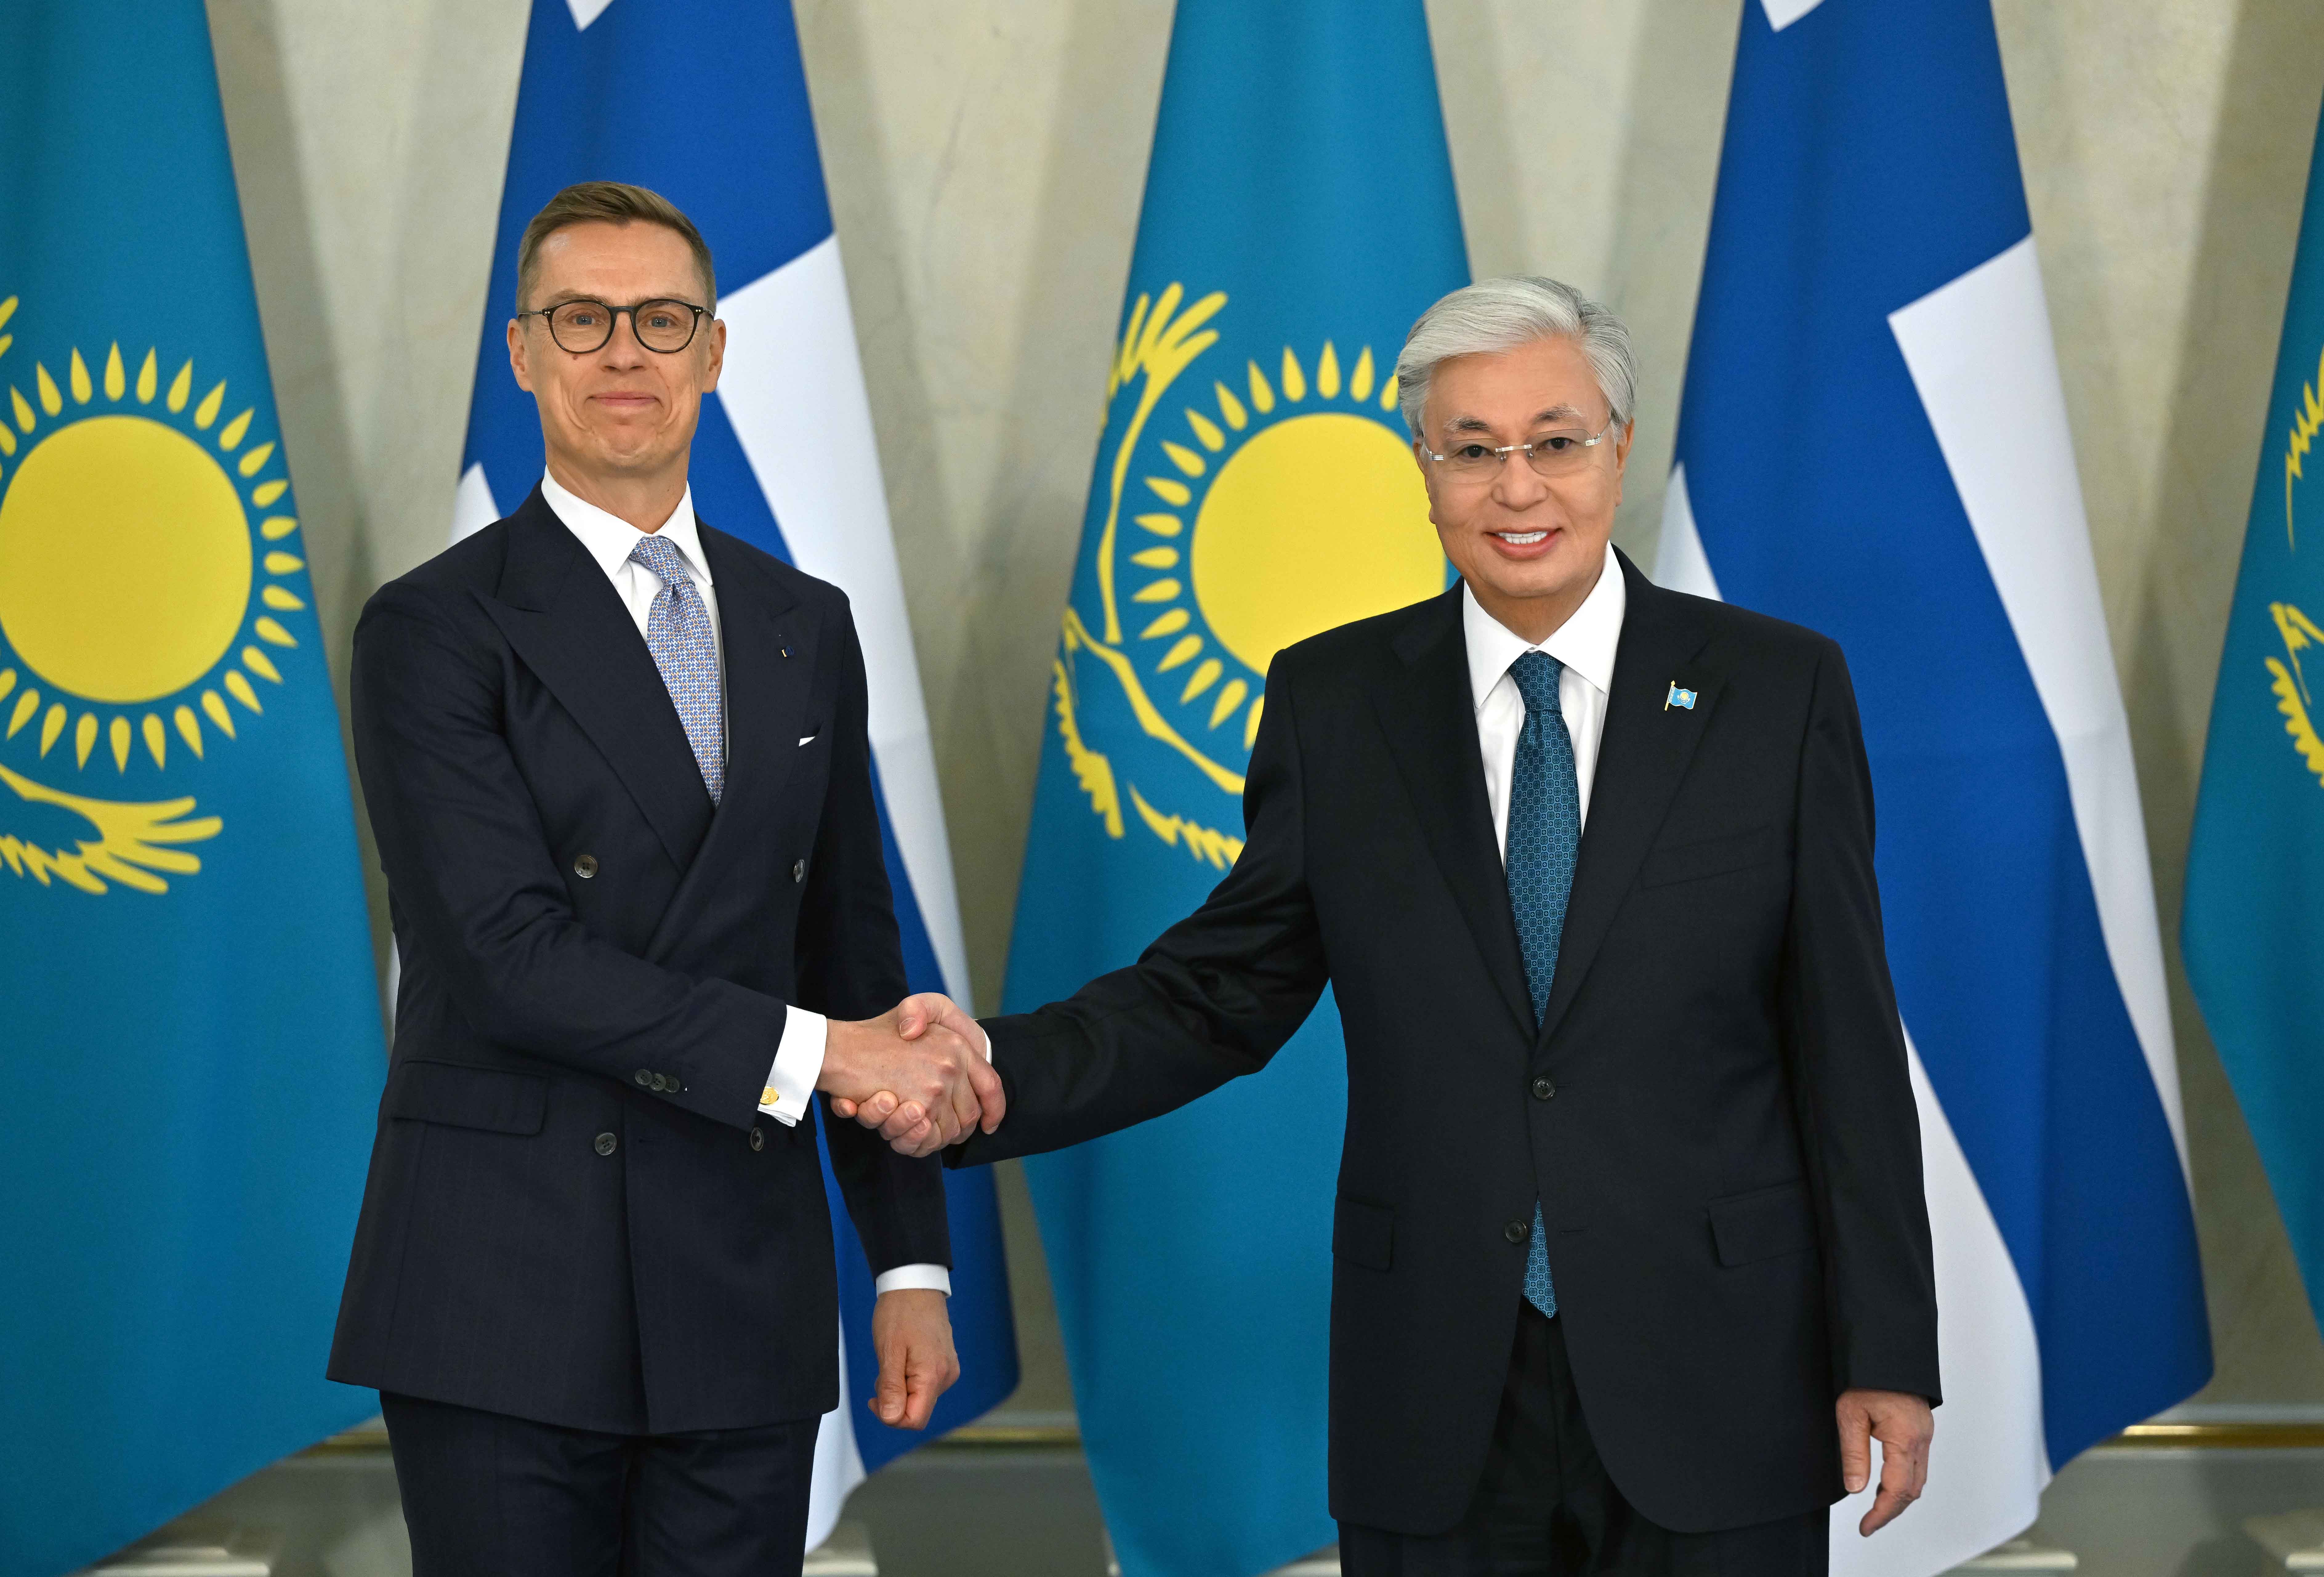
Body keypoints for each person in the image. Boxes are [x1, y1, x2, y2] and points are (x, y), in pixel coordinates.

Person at [854, 277, 1940, 1575]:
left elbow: (1846, 1045)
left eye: (1555, 441)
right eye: (1471, 451)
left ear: (1618, 448)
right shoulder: (1337, 702)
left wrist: (1886, 1348)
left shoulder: (1776, 687)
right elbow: (1217, 993)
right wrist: (986, 1071)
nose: (1516, 487)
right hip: (1437, 1382)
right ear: (1424, 473)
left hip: (1719, 1366)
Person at [329, 180, 1000, 1577]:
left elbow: (851, 953)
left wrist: (910, 1264)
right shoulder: (430, 629)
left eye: (661, 319)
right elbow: (508, 959)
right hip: (505, 1287)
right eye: (582, 319)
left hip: (738, 1281)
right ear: (523, 353)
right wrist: (827, 1056)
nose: (624, 352)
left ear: (715, 350)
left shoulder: (804, 623)